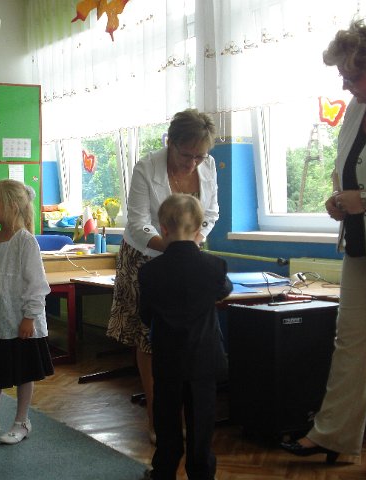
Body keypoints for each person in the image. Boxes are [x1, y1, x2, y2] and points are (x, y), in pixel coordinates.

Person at [280, 18, 366, 479]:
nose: (344, 84)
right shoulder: (357, 108)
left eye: (351, 75)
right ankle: (333, 434)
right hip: (360, 243)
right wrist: (339, 199)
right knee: (350, 342)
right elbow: (350, 171)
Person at [107, 108, 219, 441]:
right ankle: (158, 418)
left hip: (187, 255)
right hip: (145, 257)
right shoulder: (146, 167)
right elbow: (137, 223)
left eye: (200, 157)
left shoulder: (209, 166)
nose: (193, 164)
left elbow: (211, 213)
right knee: (149, 338)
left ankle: (187, 413)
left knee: (184, 336)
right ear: (171, 142)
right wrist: (172, 247)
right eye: (187, 155)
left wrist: (194, 240)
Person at [139, 194, 231, 480]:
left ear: (163, 229)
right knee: (201, 421)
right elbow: (224, 290)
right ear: (199, 229)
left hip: (168, 360)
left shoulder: (149, 272)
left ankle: (164, 470)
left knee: (166, 418)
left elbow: (145, 315)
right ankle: (201, 472)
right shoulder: (214, 266)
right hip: (204, 358)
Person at [0, 179, 54, 445]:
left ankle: (21, 421)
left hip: (20, 323)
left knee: (23, 372)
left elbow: (36, 285)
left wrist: (29, 317)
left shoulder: (26, 242)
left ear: (12, 206)